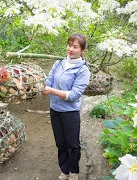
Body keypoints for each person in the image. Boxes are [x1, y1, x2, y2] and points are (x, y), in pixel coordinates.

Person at [43, 34, 91, 180]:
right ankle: (64, 171)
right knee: (61, 143)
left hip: (70, 113)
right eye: (69, 45)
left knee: (73, 144)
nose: (70, 49)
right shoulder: (59, 63)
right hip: (55, 110)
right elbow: (49, 80)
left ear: (82, 50)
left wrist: (51, 91)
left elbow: (74, 95)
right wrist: (41, 85)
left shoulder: (83, 70)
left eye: (75, 46)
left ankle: (74, 173)